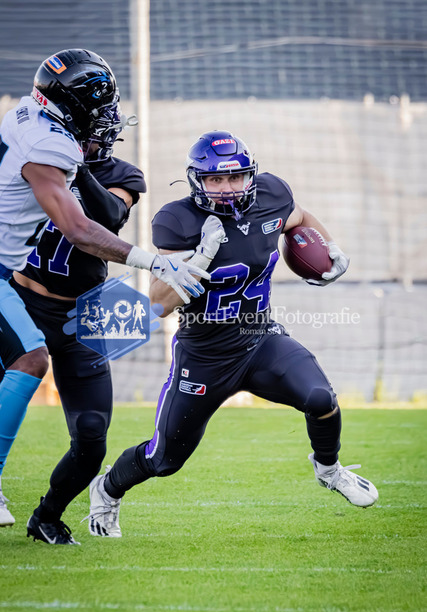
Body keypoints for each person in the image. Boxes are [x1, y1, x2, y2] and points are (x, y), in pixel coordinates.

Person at [84, 130, 379, 538]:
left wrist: (328, 248)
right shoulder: (178, 220)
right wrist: (202, 256)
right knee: (163, 459)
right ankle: (106, 490)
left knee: (321, 398)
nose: (227, 188)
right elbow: (159, 303)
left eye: (236, 177)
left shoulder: (272, 194)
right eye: (215, 179)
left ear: (251, 175)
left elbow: (299, 218)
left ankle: (329, 469)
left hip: (260, 339)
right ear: (197, 181)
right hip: (204, 354)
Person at [0, 49, 209, 530]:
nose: (101, 132)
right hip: (23, 295)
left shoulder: (120, 173)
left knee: (92, 434)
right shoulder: (46, 148)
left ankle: (47, 517)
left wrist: (80, 167)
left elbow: (109, 217)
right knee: (21, 370)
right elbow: (73, 225)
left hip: (85, 311)